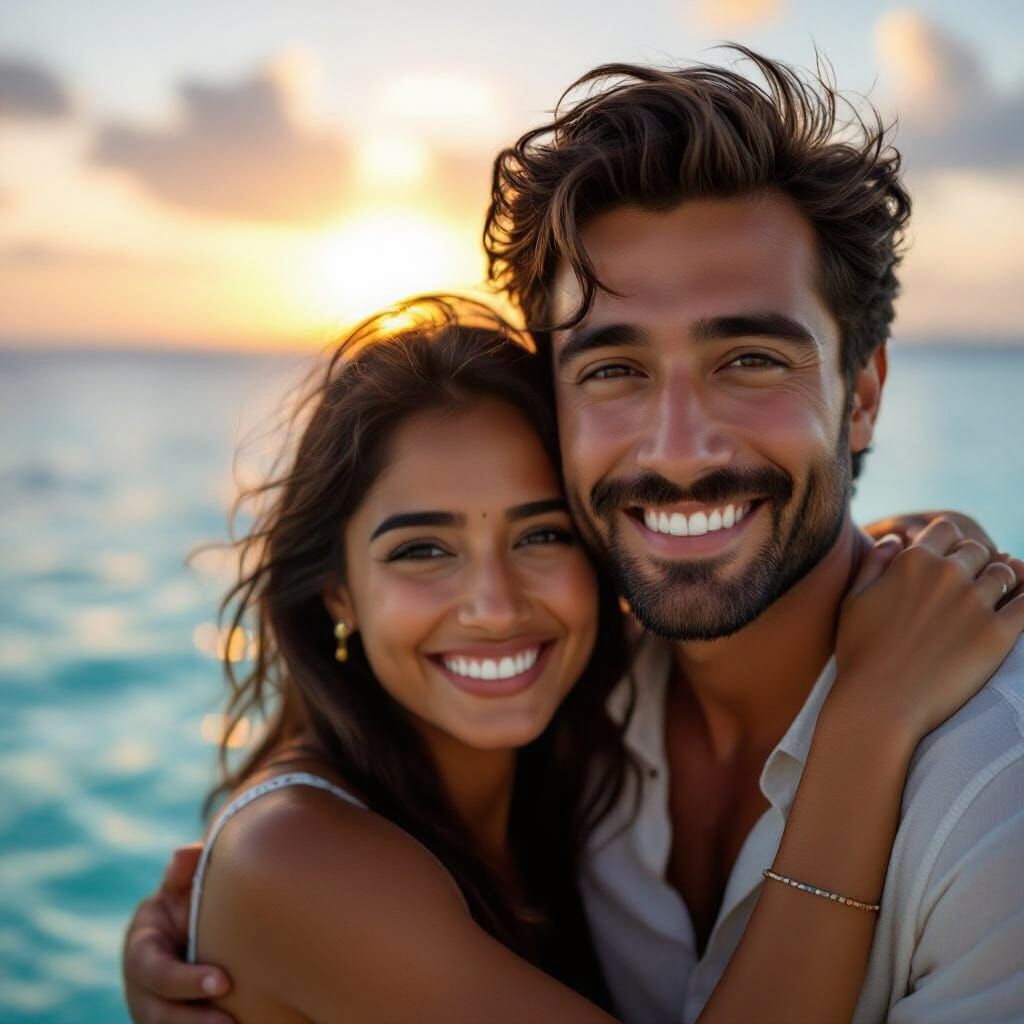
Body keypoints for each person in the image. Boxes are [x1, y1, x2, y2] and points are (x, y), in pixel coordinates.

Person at [124, 49, 1024, 1022]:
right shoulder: (588, 695)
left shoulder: (991, 803)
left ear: (863, 393)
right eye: (613, 370)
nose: (678, 451)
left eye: (750, 358)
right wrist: (866, 716)